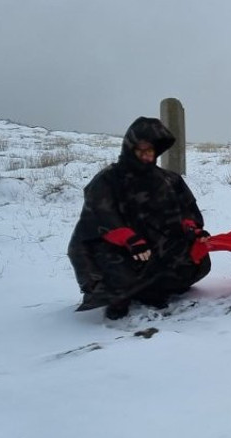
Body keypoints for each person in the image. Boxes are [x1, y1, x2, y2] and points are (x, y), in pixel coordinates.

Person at [69, 117, 212, 319]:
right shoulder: (108, 180)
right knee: (118, 274)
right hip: (119, 248)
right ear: (130, 149)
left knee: (198, 261)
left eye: (150, 151)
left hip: (156, 247)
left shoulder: (169, 180)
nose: (146, 156)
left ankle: (153, 290)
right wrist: (129, 239)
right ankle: (118, 297)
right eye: (141, 151)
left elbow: (187, 211)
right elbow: (100, 217)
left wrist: (193, 231)